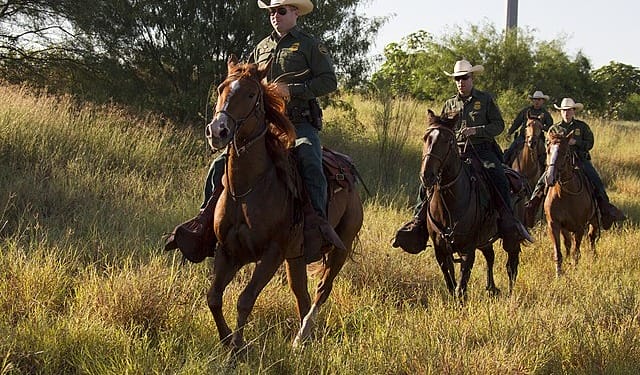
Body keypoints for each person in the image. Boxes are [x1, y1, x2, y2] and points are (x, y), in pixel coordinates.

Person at [165, 0, 344, 262]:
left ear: (295, 12)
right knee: (220, 164)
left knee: (309, 158)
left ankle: (317, 226)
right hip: (266, 125)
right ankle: (205, 223)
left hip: (299, 123)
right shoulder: (261, 47)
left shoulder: (309, 44)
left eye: (281, 11)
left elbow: (329, 81)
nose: (275, 16)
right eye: (272, 11)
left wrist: (292, 91)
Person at [394, 59, 533, 252]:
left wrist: (477, 130)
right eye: (457, 79)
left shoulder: (484, 100)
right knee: (428, 179)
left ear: (472, 78)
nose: (461, 82)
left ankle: (508, 221)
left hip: (483, 150)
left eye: (464, 78)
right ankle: (418, 221)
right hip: (455, 153)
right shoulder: (449, 103)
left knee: (497, 175)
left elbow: (498, 125)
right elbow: (441, 128)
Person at [524, 98, 626, 229]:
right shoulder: (554, 129)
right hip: (559, 162)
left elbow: (590, 144)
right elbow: (547, 146)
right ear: (560, 112)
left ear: (573, 111)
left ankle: (605, 209)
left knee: (596, 180)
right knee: (542, 181)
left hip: (580, 161)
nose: (566, 113)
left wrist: (576, 143)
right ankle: (532, 208)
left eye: (569, 110)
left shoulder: (582, 127)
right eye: (564, 111)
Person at [503, 90, 554, 168]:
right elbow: (517, 122)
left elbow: (551, 127)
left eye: (539, 100)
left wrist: (542, 127)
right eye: (535, 99)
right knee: (510, 151)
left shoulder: (546, 114)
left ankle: (544, 172)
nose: (537, 101)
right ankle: (504, 168)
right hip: (523, 137)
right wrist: (510, 132)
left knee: (544, 155)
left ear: (542, 101)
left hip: (538, 139)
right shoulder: (525, 111)